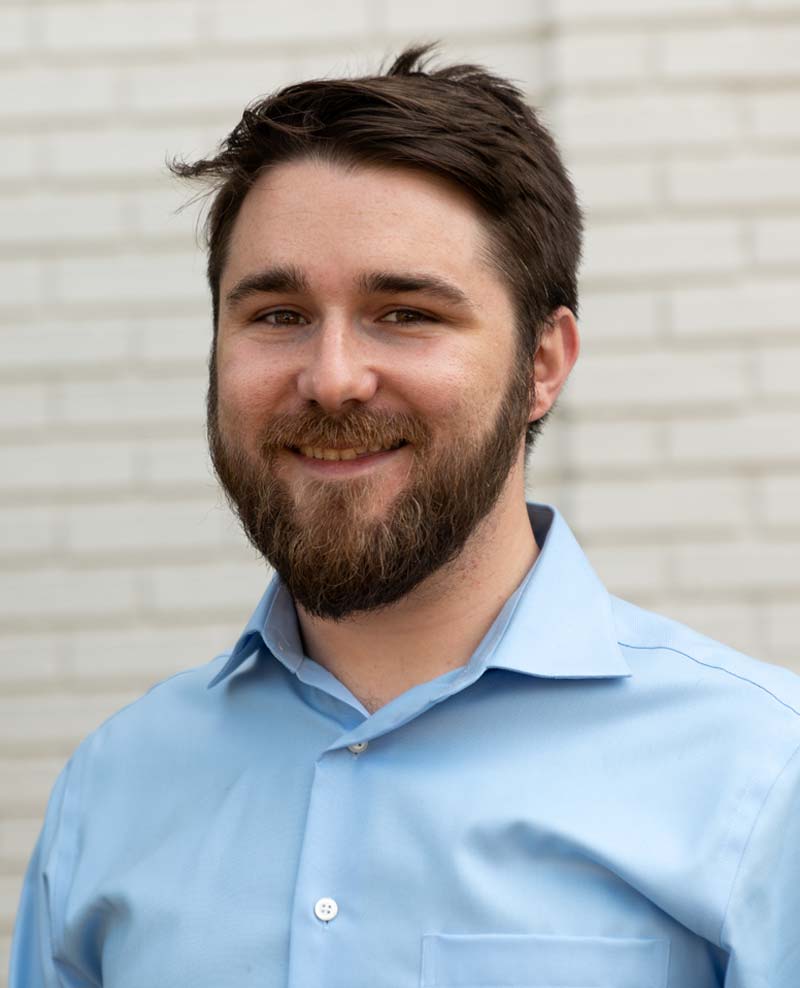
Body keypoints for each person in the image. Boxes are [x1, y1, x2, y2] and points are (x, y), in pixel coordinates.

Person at [10, 44, 800, 988]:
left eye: (407, 313)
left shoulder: (762, 778)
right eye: (277, 314)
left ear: (543, 363)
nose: (332, 378)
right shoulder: (113, 790)